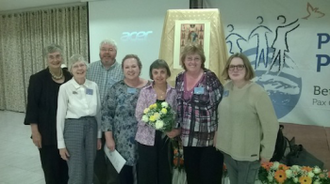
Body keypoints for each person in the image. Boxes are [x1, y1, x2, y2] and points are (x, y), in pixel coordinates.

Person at [216, 53, 278, 184]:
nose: (235, 69)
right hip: (228, 152)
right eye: (231, 67)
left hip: (247, 155)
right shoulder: (226, 88)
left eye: (239, 66)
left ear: (247, 68)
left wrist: (267, 153)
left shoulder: (257, 92)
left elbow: (271, 125)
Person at [175, 44, 224, 184]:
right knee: (192, 177)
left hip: (208, 139)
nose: (193, 62)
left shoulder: (210, 78)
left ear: (202, 60)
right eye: (189, 58)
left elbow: (221, 106)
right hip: (188, 139)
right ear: (183, 61)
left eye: (197, 58)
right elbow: (178, 107)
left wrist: (218, 133)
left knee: (209, 178)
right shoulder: (179, 78)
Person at [24, 44, 71, 184]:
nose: (55, 60)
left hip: (67, 132)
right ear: (46, 59)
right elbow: (32, 106)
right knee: (51, 170)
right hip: (46, 133)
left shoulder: (69, 76)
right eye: (51, 57)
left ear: (62, 57)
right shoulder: (37, 79)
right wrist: (35, 131)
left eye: (57, 56)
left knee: (66, 170)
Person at [101, 54, 150, 184]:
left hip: (146, 140)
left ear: (139, 68)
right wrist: (108, 138)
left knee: (144, 174)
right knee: (124, 177)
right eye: (127, 67)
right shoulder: (116, 88)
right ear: (122, 69)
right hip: (121, 141)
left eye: (133, 66)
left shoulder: (150, 87)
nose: (130, 69)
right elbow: (106, 114)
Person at [57, 54, 102, 184]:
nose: (79, 68)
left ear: (86, 67)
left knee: (90, 166)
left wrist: (98, 136)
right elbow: (60, 117)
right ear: (71, 70)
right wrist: (61, 145)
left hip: (91, 127)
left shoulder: (93, 86)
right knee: (76, 168)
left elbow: (98, 112)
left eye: (82, 65)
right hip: (73, 128)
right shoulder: (65, 88)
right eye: (75, 66)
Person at [135, 59, 179, 184]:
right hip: (146, 138)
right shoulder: (145, 91)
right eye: (156, 72)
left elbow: (177, 115)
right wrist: (155, 121)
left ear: (167, 74)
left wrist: (172, 127)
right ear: (151, 75)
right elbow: (139, 114)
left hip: (166, 139)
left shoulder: (174, 93)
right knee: (147, 173)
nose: (159, 75)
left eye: (162, 72)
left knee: (165, 171)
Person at [86, 39, 124, 184]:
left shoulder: (123, 70)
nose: (106, 53)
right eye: (104, 49)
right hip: (93, 123)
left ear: (116, 52)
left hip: (114, 125)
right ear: (99, 51)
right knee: (96, 159)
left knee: (114, 161)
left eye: (110, 49)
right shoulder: (89, 69)